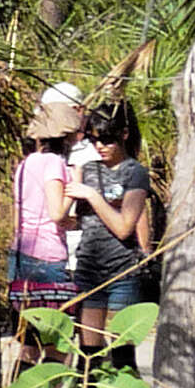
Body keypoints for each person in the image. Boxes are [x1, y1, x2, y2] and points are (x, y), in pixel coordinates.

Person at [72, 96, 156, 368]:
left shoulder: (135, 172)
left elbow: (123, 227)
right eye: (94, 140)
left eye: (107, 140)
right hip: (89, 268)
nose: (100, 147)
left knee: (121, 354)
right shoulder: (87, 170)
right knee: (89, 355)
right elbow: (69, 218)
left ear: (124, 135)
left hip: (122, 272)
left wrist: (92, 196)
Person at [8, 84, 83, 361]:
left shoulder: (26, 163)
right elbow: (56, 214)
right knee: (57, 345)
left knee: (29, 343)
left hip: (21, 255)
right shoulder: (55, 164)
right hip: (48, 258)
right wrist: (75, 186)